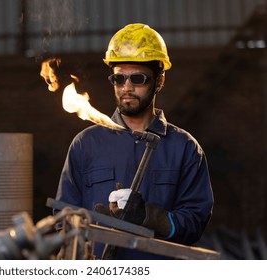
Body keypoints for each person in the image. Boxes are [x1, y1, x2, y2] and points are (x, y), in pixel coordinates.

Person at [55, 23, 214, 259]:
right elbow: (63, 221)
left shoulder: (184, 148)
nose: (127, 88)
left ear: (159, 81)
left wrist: (150, 217)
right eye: (119, 79)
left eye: (138, 79)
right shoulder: (85, 144)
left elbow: (194, 222)